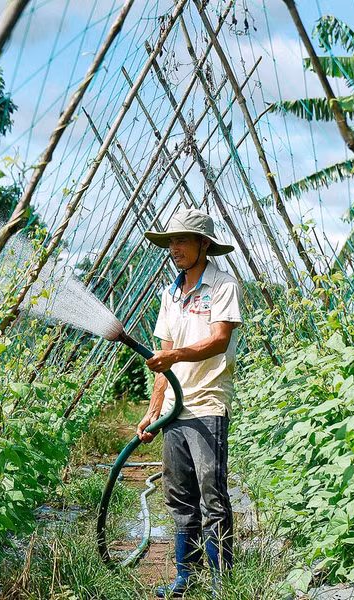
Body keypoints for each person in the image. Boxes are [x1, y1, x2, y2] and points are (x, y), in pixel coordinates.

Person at [136, 208, 242, 598]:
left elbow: (219, 340)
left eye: (181, 240)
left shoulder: (224, 286)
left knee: (212, 493)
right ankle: (185, 579)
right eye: (170, 241)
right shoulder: (170, 294)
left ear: (204, 245)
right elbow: (162, 362)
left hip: (208, 403)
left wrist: (176, 357)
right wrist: (153, 411)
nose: (174, 248)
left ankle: (220, 584)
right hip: (175, 411)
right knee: (179, 496)